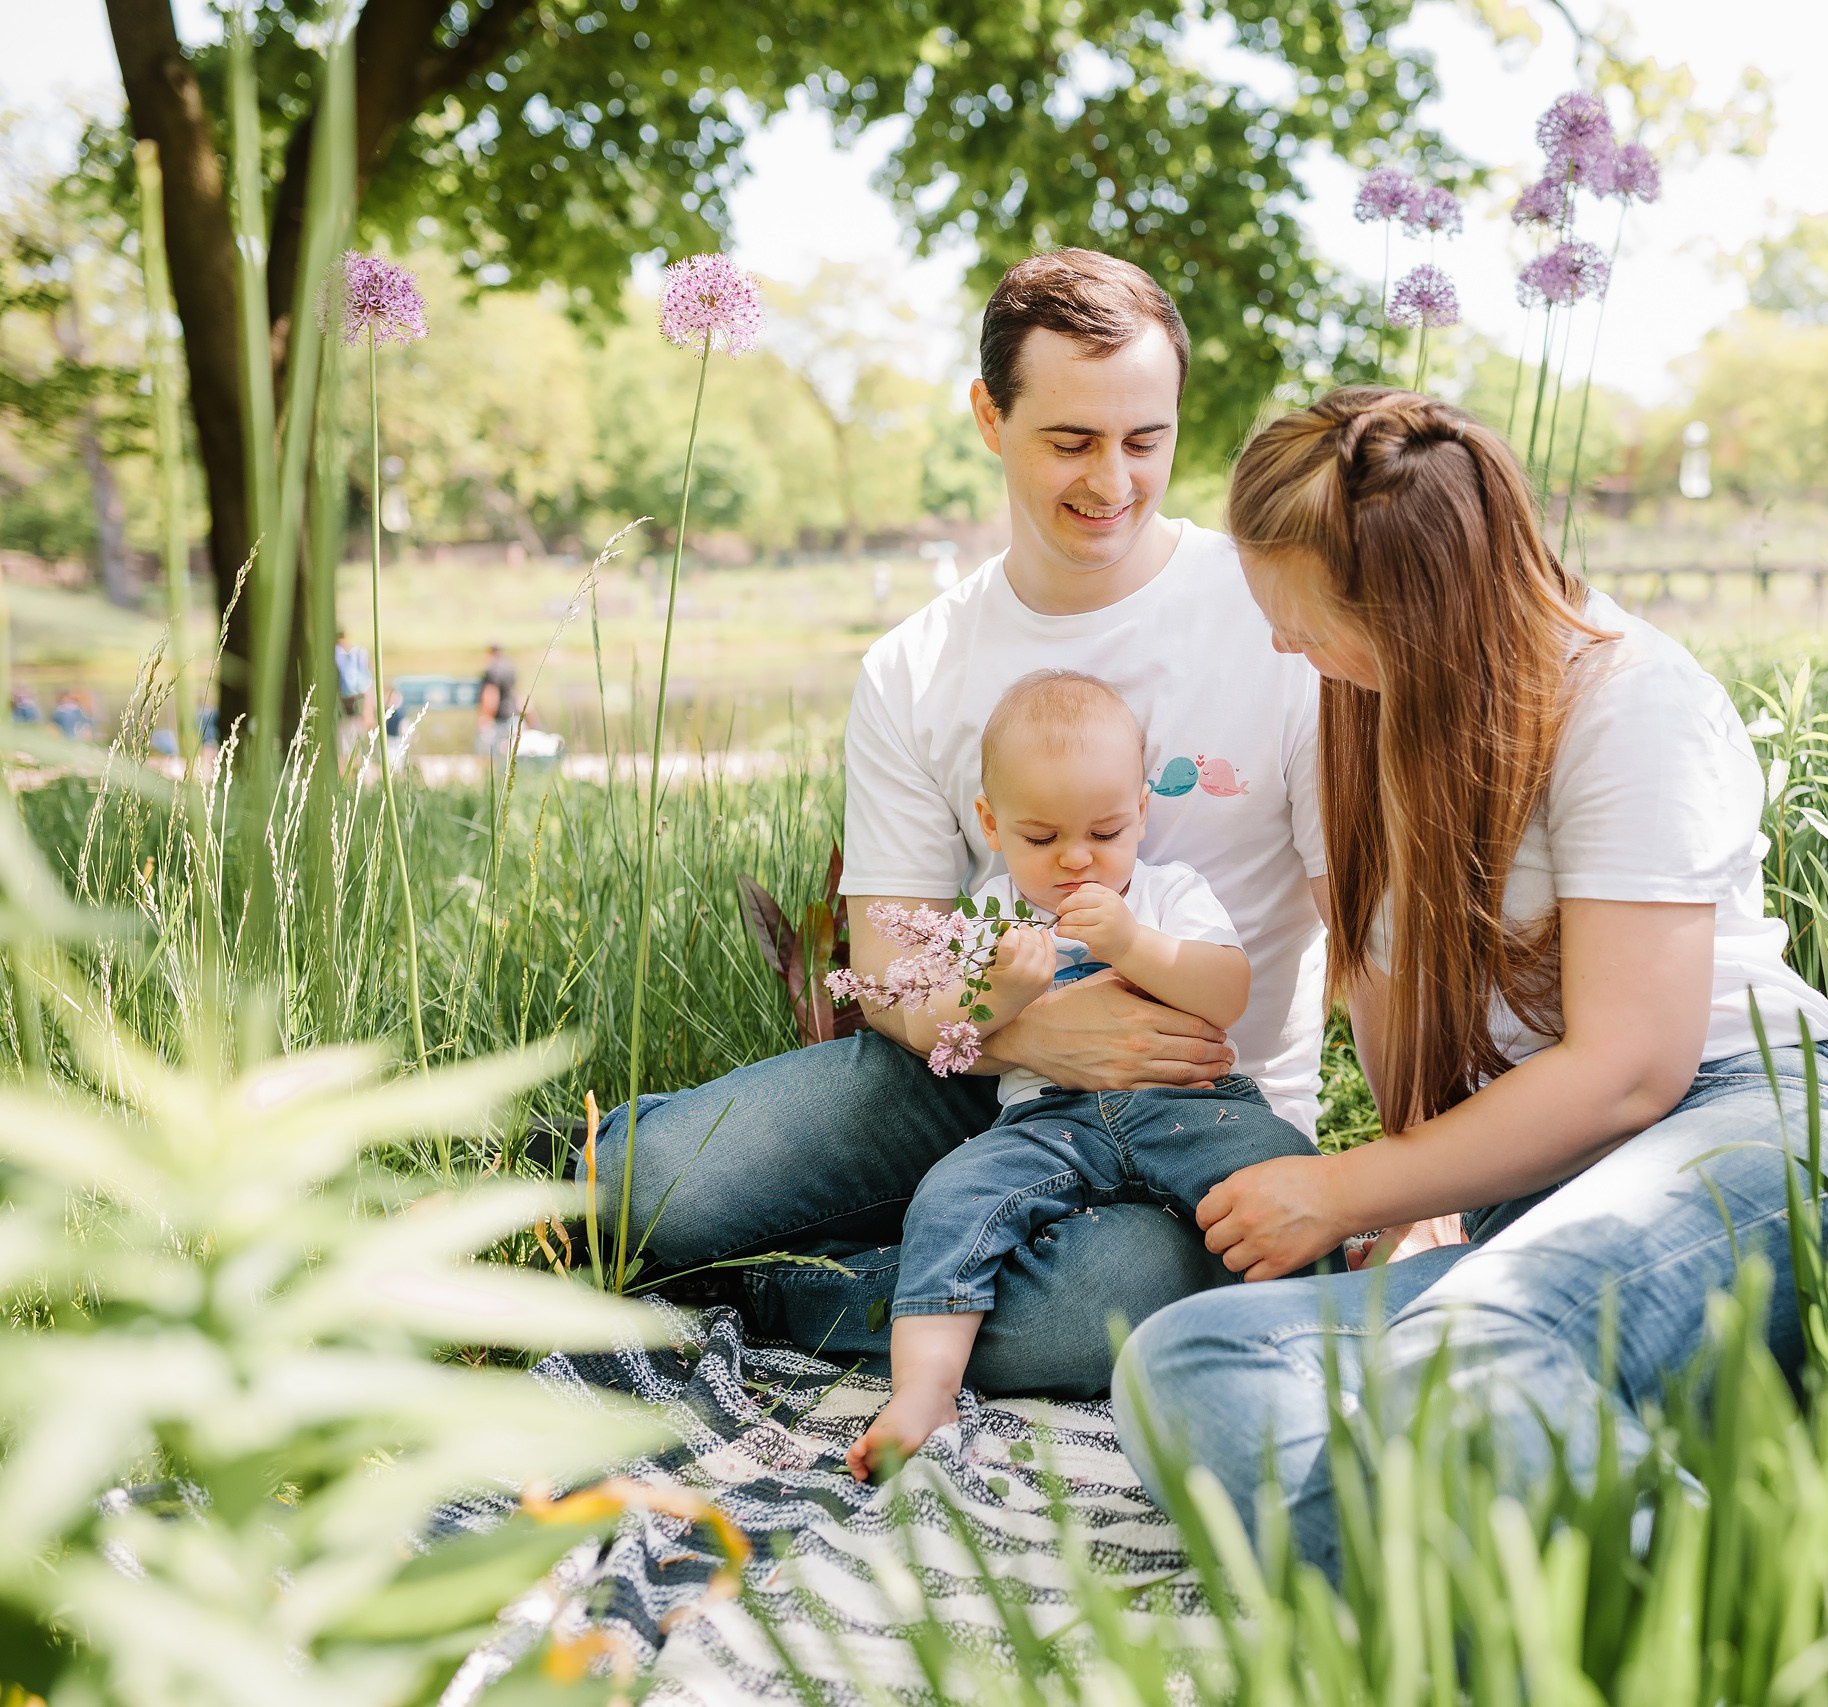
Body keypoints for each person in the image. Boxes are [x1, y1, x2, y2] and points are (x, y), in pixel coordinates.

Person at [1110, 389, 1828, 1578]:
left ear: (1416, 611)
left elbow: (1633, 1071)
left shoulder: (1632, 703)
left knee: (1463, 1354)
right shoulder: (1360, 717)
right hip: (1534, 1197)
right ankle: (1530, 1574)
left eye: (1307, 624)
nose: (1285, 649)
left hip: (1742, 1130)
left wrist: (1348, 1190)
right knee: (1185, 1368)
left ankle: (1763, 1626)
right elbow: (1401, 1039)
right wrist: (1424, 1178)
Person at [587, 249, 1327, 1396]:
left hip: (1200, 1110)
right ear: (990, 416)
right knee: (642, 1185)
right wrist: (1026, 1035)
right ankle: (884, 1261)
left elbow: (1372, 931)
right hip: (965, 1073)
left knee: (1097, 1310)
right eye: (1070, 441)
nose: (1112, 481)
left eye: (1145, 440)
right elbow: (885, 966)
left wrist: (1415, 1188)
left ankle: (773, 1289)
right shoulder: (916, 667)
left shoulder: (1274, 618)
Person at [846, 669, 1321, 1475]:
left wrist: (1134, 944)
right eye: (1041, 839)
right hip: (1046, 1121)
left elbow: (1229, 989)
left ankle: (1315, 1334)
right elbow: (945, 1028)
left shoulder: (1167, 894)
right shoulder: (990, 911)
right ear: (991, 825)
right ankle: (923, 1389)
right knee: (951, 1199)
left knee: (1282, 1167)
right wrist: (1000, 994)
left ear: (1141, 808)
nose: (1076, 859)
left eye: (1104, 831)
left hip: (1185, 1106)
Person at [474, 642, 518, 760]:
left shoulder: (491, 669)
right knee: (508, 754)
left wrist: (485, 718)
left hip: (497, 719)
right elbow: (515, 692)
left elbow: (491, 695)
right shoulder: (510, 668)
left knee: (490, 756)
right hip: (512, 716)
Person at [335, 628, 374, 758]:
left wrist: (367, 710)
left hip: (352, 703)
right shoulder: (355, 654)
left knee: (351, 744)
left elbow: (367, 684)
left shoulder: (356, 655)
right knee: (347, 744)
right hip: (348, 704)